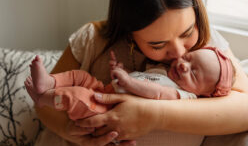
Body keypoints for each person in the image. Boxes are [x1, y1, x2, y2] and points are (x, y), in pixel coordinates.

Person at [33, 0, 248, 146]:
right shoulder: (93, 39)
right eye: (158, 44)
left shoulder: (207, 48)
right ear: (129, 34)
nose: (179, 53)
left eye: (187, 32)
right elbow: (42, 103)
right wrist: (72, 132)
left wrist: (152, 115)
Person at [25, 46, 234, 121]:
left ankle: (42, 98)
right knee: (80, 77)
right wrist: (121, 72)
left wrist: (126, 81)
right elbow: (140, 78)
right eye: (188, 58)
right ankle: (48, 82)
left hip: (104, 109)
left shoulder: (184, 96)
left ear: (204, 94)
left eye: (194, 74)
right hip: (104, 90)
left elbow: (155, 92)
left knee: (76, 97)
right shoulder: (161, 71)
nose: (183, 66)